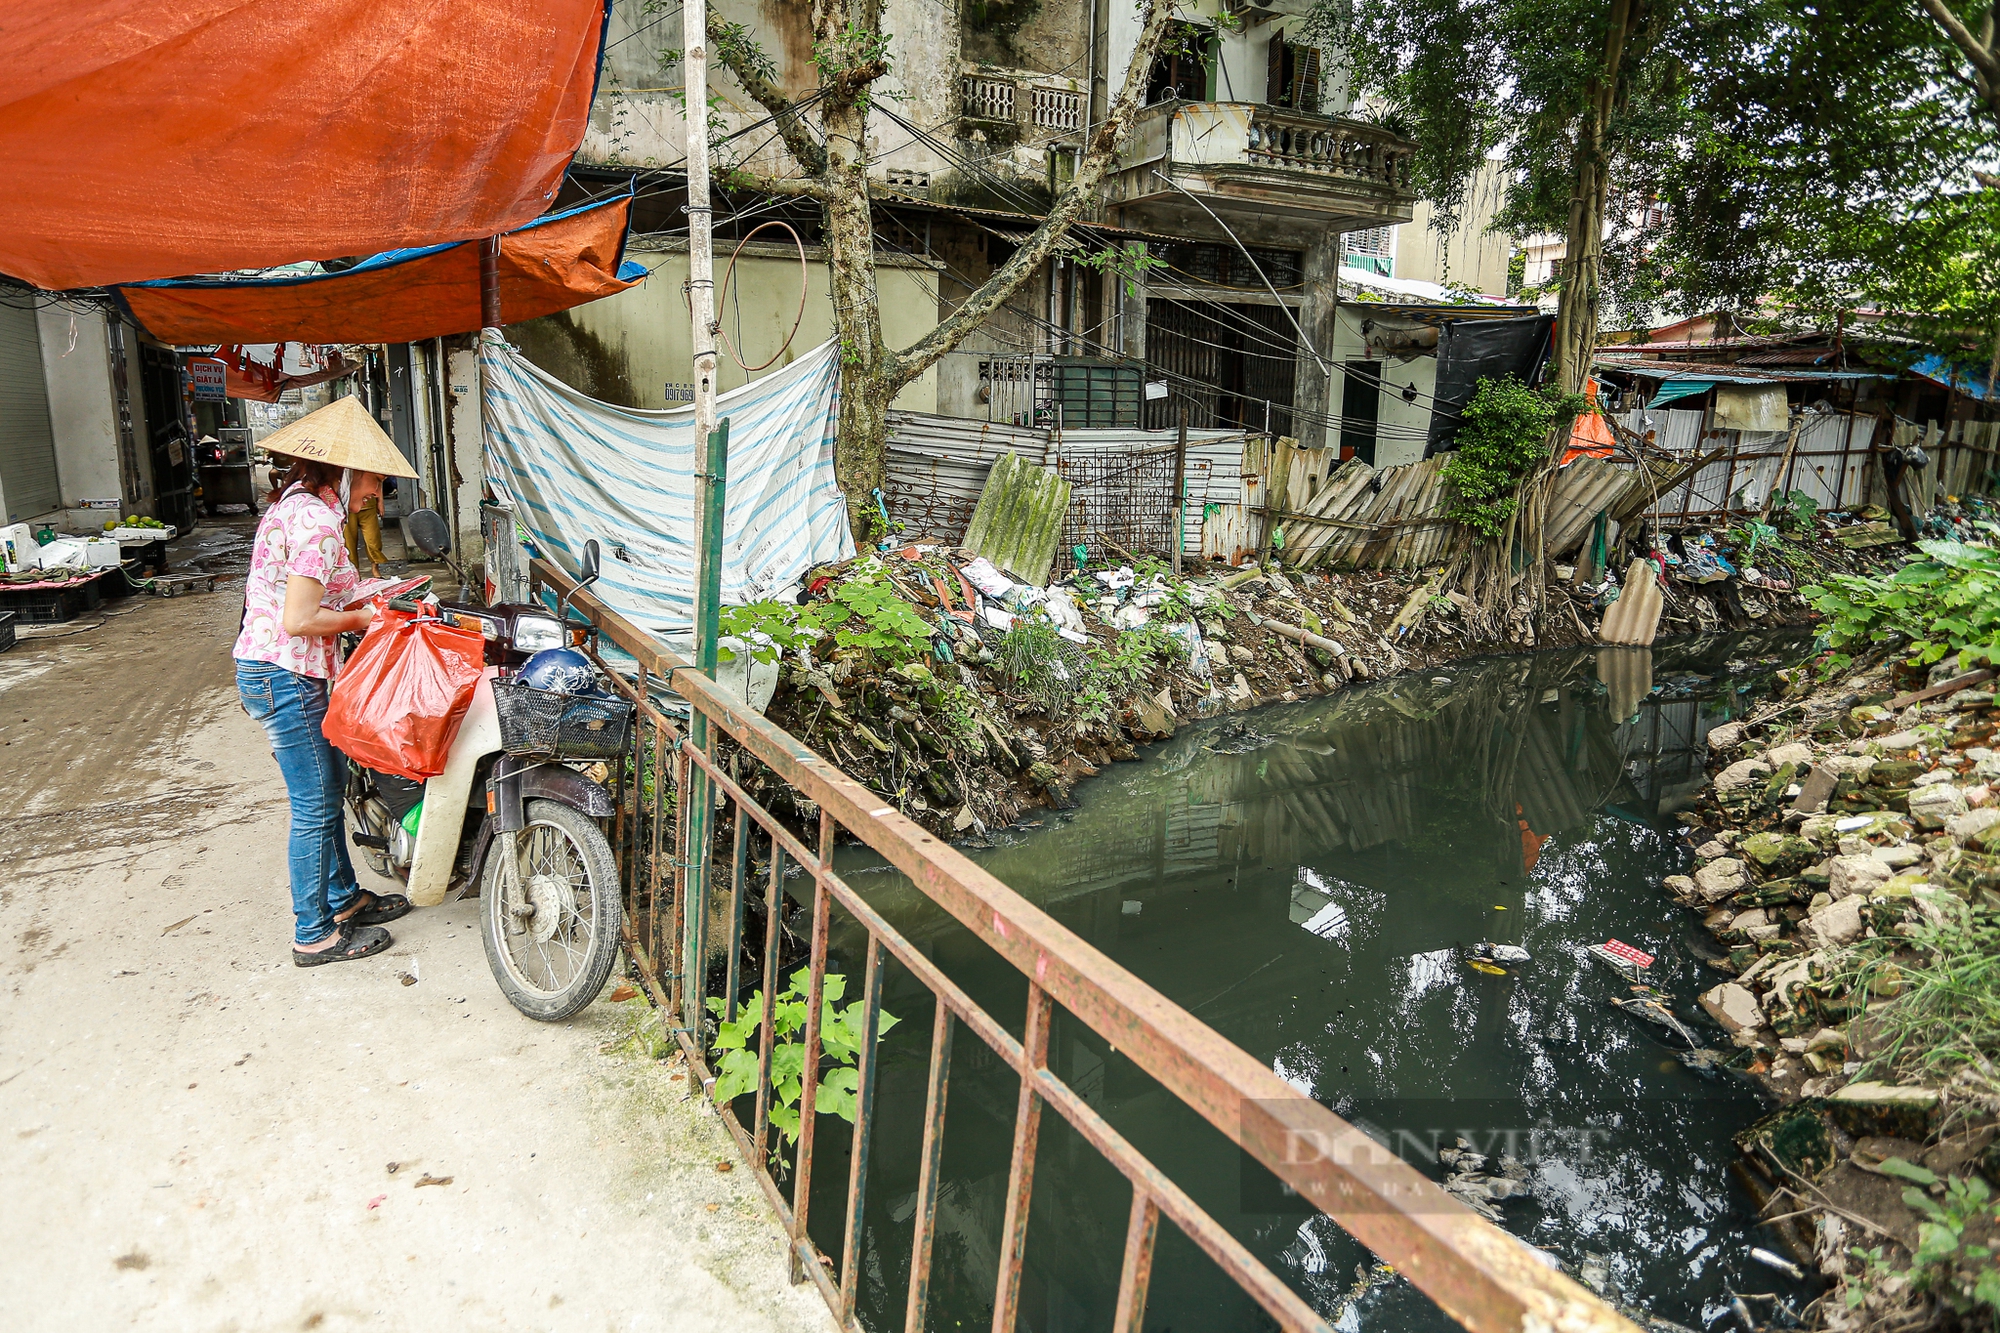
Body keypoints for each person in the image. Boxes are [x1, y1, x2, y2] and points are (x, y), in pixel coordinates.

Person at [233, 397, 420, 965]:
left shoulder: (300, 506)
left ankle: (342, 899)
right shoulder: (315, 521)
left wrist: (386, 594)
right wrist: (364, 618)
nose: (376, 497)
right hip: (286, 674)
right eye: (374, 483)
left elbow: (326, 594)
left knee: (328, 789)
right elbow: (301, 619)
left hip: (285, 672)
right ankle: (313, 935)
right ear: (345, 470)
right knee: (315, 804)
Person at [344, 475, 396, 578]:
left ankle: (375, 568)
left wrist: (380, 501)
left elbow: (379, 480)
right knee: (349, 543)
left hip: (369, 505)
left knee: (373, 540)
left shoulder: (369, 462)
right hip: (347, 506)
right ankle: (356, 573)